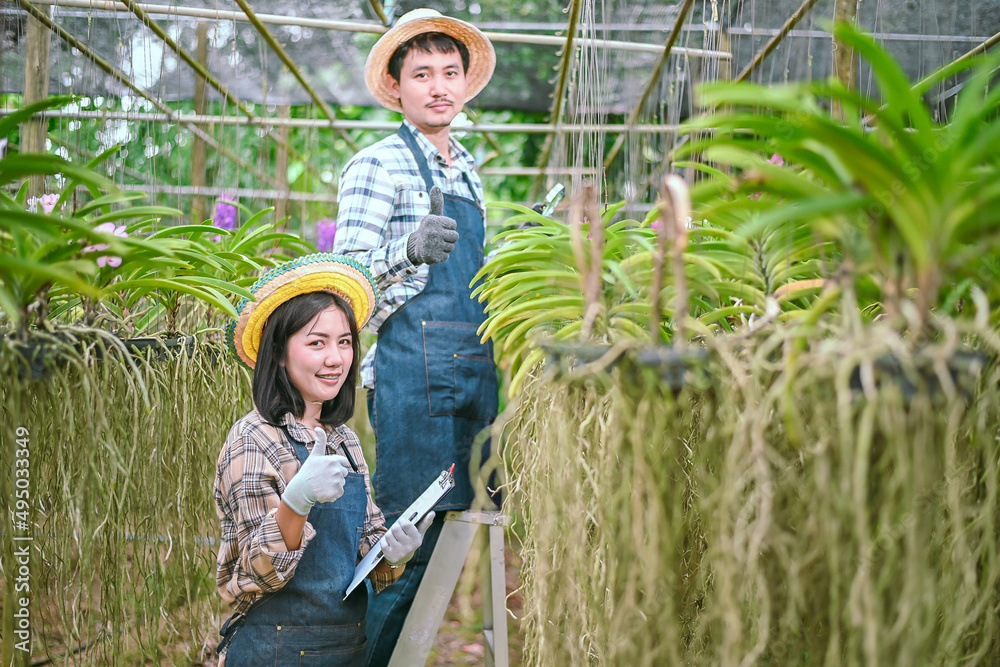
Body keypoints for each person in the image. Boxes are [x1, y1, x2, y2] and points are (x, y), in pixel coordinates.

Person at [333, 8, 499, 665]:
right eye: (421, 73)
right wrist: (407, 251)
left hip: (474, 381)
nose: (438, 85)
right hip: (411, 380)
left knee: (453, 542)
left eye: (450, 73)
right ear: (396, 88)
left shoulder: (471, 175)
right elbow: (343, 293)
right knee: (405, 545)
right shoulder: (377, 166)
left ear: (464, 85)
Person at [214, 253, 435, 666]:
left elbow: (367, 557)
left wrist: (395, 552)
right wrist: (296, 502)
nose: (335, 358)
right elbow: (253, 575)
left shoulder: (345, 441)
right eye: (317, 343)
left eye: (344, 342)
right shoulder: (254, 438)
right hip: (273, 652)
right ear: (279, 352)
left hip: (346, 650)